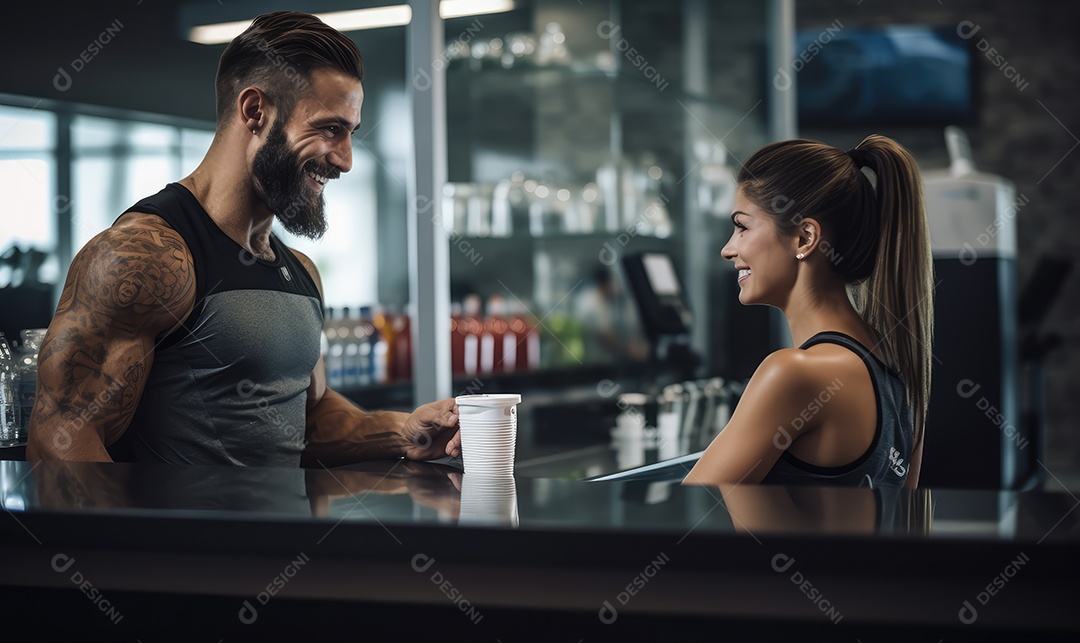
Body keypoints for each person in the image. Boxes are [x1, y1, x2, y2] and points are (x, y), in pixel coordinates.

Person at [26, 11, 461, 467]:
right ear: (255, 111)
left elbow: (308, 420)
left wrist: (404, 433)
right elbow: (62, 439)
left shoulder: (301, 271)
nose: (346, 160)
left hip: (286, 518)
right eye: (329, 129)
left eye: (350, 133)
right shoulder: (145, 256)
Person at [684, 135, 933, 489]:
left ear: (804, 238)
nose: (728, 249)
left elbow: (691, 512)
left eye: (742, 227)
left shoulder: (793, 374)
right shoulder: (902, 376)